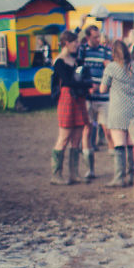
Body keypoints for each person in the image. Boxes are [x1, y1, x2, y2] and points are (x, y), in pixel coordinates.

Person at [99, 40, 134, 188]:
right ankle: (132, 176)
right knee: (132, 144)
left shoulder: (111, 67)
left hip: (118, 109)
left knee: (119, 145)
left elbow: (102, 89)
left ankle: (119, 177)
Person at [49, 30, 88, 185]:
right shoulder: (59, 61)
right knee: (64, 137)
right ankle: (56, 174)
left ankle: (74, 174)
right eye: (75, 42)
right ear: (66, 43)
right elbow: (66, 81)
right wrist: (86, 84)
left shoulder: (76, 60)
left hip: (78, 98)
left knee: (77, 138)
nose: (77, 45)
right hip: (66, 99)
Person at [77, 25, 112, 179]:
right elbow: (78, 71)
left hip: (104, 98)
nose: (98, 39)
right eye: (95, 37)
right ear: (88, 38)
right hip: (88, 98)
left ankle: (117, 169)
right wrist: (87, 86)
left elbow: (111, 71)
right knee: (87, 130)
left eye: (99, 36)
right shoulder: (82, 50)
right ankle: (89, 169)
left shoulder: (105, 51)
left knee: (108, 131)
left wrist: (104, 83)